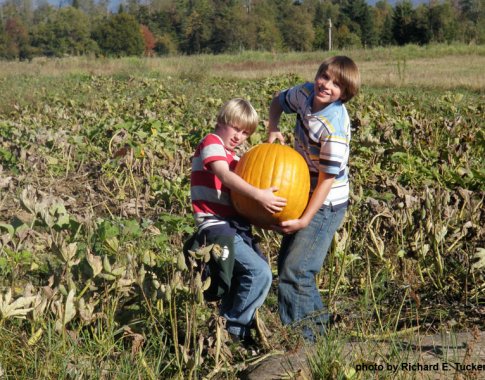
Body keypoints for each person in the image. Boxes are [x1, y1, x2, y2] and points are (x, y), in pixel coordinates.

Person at [267, 56, 361, 342]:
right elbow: (277, 101)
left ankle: (310, 340)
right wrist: (273, 126)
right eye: (325, 76)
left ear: (344, 94)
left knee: (298, 271)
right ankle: (307, 335)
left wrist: (305, 218)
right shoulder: (304, 94)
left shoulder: (334, 128)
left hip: (326, 202)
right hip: (302, 189)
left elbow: (327, 180)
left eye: (336, 84)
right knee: (287, 267)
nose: (326, 85)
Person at [189, 98, 287, 344]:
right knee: (259, 273)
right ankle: (235, 329)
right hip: (215, 225)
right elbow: (222, 174)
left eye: (246, 133)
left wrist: (268, 222)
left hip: (235, 226)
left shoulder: (235, 158)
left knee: (239, 279)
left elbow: (240, 204)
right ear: (221, 121)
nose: (239, 136)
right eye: (236, 128)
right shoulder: (211, 143)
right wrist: (258, 193)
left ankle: (222, 330)